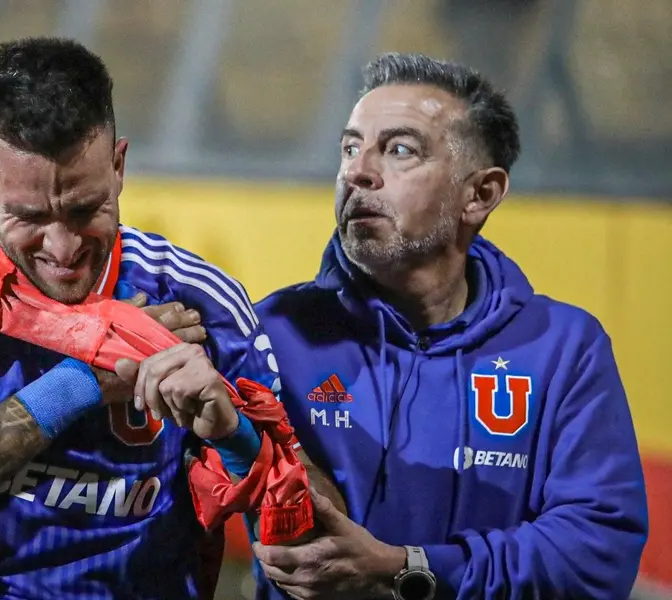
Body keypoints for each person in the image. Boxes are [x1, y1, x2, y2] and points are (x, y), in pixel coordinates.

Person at [0, 37, 333, 600]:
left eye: (85, 210)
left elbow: (323, 544)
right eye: (29, 216)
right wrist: (86, 378)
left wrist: (236, 436)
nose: (61, 249)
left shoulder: (197, 300)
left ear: (118, 166)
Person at [250, 52, 648, 600]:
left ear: (479, 194)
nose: (358, 171)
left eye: (400, 150)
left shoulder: (564, 349)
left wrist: (406, 568)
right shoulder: (274, 333)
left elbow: (597, 553)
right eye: (349, 147)